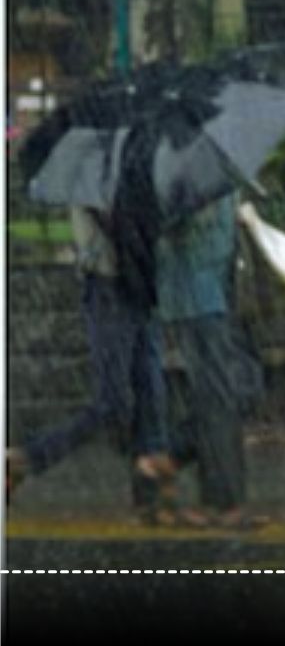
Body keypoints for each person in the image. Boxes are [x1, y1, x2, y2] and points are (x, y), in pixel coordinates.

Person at [6, 202, 174, 514]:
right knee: (113, 402)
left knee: (150, 390)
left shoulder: (128, 158)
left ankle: (149, 495)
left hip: (139, 278)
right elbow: (106, 219)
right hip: (109, 280)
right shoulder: (93, 167)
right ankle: (26, 459)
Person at [150, 193, 269, 529]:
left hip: (226, 291)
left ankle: (168, 456)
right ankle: (222, 502)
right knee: (220, 398)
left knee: (246, 388)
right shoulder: (179, 169)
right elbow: (165, 220)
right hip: (198, 297)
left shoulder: (214, 162)